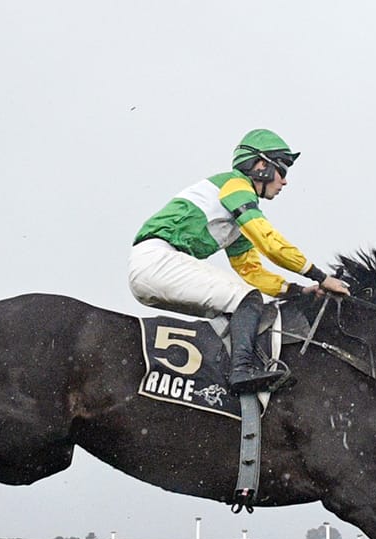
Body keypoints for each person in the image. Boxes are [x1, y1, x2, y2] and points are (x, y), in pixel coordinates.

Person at [129, 128, 350, 394]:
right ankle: (241, 371)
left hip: (156, 268)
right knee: (248, 300)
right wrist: (321, 277)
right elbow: (270, 243)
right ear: (261, 166)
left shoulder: (234, 217)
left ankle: (208, 384)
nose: (285, 182)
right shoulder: (236, 186)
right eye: (283, 171)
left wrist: (298, 290)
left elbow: (251, 270)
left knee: (233, 312)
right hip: (158, 261)